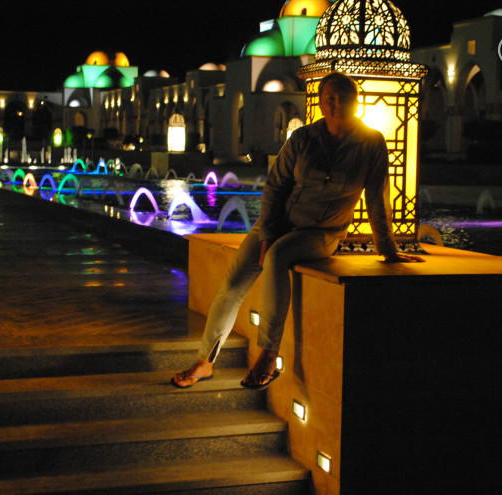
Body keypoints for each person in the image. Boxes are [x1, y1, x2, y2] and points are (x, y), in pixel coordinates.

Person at [171, 72, 424, 390]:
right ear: (320, 102)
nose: (337, 104)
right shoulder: (304, 138)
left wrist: (388, 250)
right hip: (276, 223)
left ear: (356, 101)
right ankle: (205, 361)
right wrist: (267, 233)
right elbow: (275, 187)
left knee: (278, 256)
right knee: (232, 285)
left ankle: (268, 353)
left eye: (344, 97)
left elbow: (377, 199)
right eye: (330, 98)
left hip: (322, 232)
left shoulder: (371, 143)